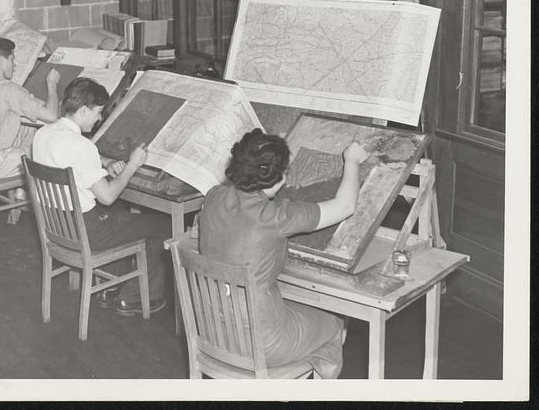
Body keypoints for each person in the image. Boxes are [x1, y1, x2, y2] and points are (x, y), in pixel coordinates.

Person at [198, 128, 369, 378]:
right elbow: (345, 206)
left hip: (212, 329)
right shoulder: (275, 216)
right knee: (334, 324)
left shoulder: (213, 196)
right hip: (263, 344)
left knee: (296, 311)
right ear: (278, 178)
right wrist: (351, 160)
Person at [32, 77, 170, 317]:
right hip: (87, 233)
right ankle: (132, 298)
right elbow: (107, 197)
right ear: (84, 110)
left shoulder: (43, 134)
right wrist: (132, 166)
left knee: (119, 217)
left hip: (58, 227)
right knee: (162, 226)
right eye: (97, 112)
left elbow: (73, 163)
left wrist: (105, 163)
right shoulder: (83, 147)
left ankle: (110, 288)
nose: (99, 119)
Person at [0, 36, 60, 180]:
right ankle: (37, 193)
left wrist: (27, 103)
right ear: (2, 61)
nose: (14, 65)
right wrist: (52, 84)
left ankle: (22, 191)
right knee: (47, 149)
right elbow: (52, 116)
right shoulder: (9, 89)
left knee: (29, 128)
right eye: (12, 59)